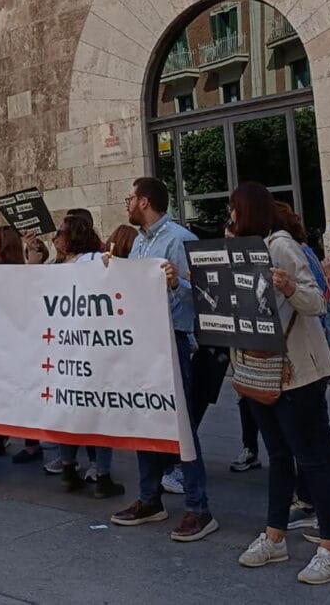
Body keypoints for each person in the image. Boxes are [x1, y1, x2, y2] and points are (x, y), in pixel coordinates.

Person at [227, 182, 330, 587]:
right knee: (280, 455)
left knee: (311, 456)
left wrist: (287, 286)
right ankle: (274, 535)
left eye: (233, 209)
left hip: (298, 369)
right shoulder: (246, 248)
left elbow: (317, 302)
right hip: (263, 369)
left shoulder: (281, 246)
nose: (229, 217)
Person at [111, 176, 217, 544]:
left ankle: (198, 508)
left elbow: (203, 294)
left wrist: (176, 284)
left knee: (180, 427)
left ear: (144, 201)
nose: (127, 203)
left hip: (172, 340)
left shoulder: (179, 239)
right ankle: (149, 498)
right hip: (142, 340)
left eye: (130, 198)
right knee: (145, 419)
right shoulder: (140, 241)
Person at [54, 215, 125, 498]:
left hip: (83, 347)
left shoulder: (93, 260)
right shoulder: (62, 266)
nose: (56, 238)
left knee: (84, 408)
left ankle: (88, 471)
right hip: (76, 347)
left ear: (73, 235)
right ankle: (88, 471)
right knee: (87, 409)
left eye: (60, 232)